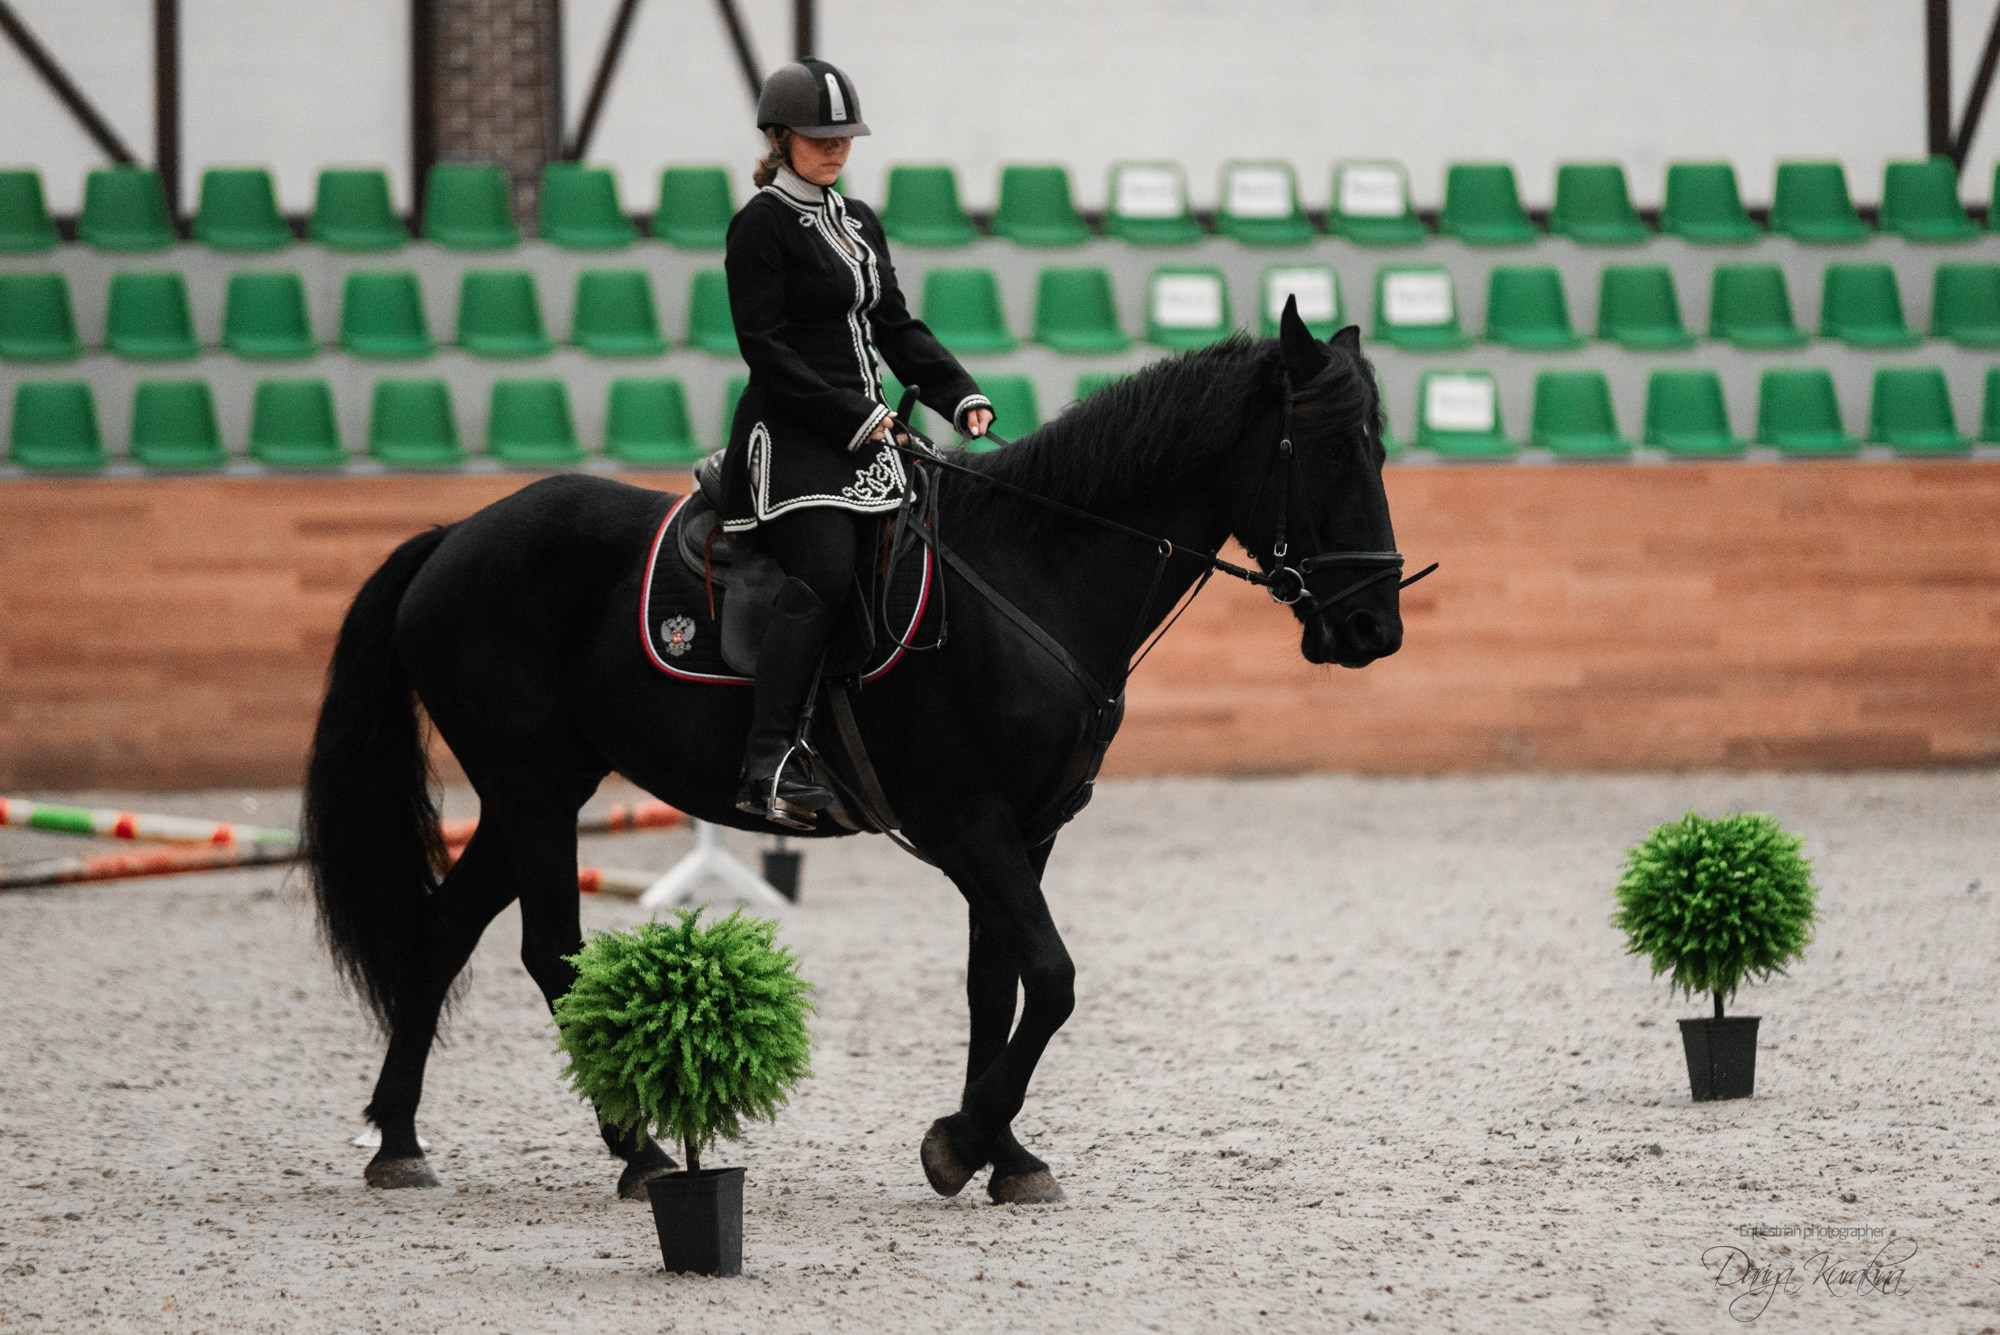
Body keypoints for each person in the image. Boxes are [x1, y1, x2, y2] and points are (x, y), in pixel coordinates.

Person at [719, 57, 995, 830]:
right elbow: (765, 351)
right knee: (828, 572)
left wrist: (958, 392)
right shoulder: (760, 226)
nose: (835, 148)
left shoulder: (858, 220)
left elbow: (895, 326)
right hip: (795, 438)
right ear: (781, 138)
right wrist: (853, 413)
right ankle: (767, 757)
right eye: (818, 137)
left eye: (843, 136)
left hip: (867, 436)